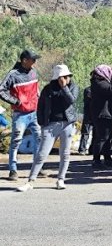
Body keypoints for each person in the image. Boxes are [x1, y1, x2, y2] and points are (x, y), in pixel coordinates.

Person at [16, 65, 78, 192]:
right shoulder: (48, 89)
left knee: (65, 153)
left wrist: (64, 87)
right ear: (57, 77)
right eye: (63, 77)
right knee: (41, 154)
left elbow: (71, 100)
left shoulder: (73, 87)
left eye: (67, 76)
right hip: (50, 125)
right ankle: (30, 181)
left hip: (67, 124)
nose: (66, 78)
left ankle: (61, 179)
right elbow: (41, 106)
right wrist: (41, 123)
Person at [0, 50, 42, 181]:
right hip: (20, 114)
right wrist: (16, 101)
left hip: (34, 112)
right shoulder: (13, 74)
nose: (35, 62)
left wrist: (39, 99)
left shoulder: (34, 72)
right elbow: (1, 90)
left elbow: (36, 88)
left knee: (39, 138)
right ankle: (13, 170)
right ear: (24, 60)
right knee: (16, 140)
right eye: (32, 59)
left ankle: (37, 168)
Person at [89, 65, 112, 169]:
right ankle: (96, 160)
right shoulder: (99, 83)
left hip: (106, 114)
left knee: (107, 138)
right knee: (102, 138)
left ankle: (107, 158)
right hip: (101, 114)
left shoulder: (101, 82)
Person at [77, 86, 93, 155]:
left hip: (94, 115)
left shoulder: (90, 90)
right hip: (89, 115)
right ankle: (82, 149)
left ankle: (92, 150)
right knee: (85, 133)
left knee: (95, 134)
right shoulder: (88, 90)